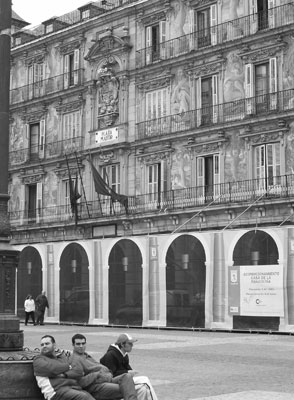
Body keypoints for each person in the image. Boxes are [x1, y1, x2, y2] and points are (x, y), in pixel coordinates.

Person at [69, 333, 138, 400]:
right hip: (96, 387)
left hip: (106, 379)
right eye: (78, 344)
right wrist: (97, 374)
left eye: (83, 343)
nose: (81, 346)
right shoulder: (75, 360)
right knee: (126, 388)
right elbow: (79, 382)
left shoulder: (86, 355)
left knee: (127, 376)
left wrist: (102, 372)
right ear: (73, 345)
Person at [33, 335, 95, 400]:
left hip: (72, 388)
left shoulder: (60, 358)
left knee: (89, 395)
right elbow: (52, 369)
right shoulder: (38, 360)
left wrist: (64, 374)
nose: (44, 346)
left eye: (47, 344)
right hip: (56, 392)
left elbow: (79, 371)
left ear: (54, 345)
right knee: (84, 397)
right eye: (42, 345)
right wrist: (68, 366)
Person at [100, 333, 158, 400]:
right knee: (145, 380)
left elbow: (127, 368)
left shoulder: (124, 354)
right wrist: (127, 372)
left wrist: (130, 372)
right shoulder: (110, 355)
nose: (132, 345)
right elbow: (111, 375)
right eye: (130, 343)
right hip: (112, 384)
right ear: (122, 344)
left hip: (123, 380)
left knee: (143, 389)